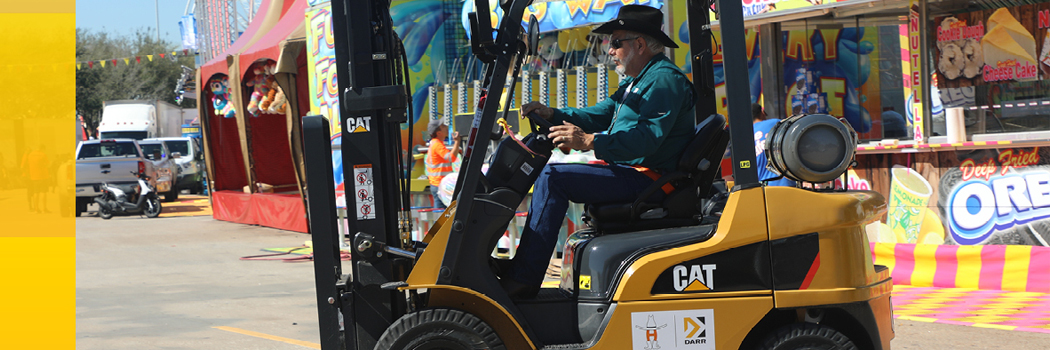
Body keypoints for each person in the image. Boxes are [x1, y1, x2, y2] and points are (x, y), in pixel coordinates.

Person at [503, 5, 697, 298]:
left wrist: (590, 142)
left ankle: (524, 280)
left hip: (650, 179)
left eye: (616, 42)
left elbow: (646, 141)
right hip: (637, 174)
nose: (609, 50)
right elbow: (599, 114)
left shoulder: (663, 81)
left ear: (640, 45)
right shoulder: (639, 80)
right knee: (552, 173)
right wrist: (552, 113)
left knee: (554, 177)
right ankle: (521, 268)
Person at [751, 104, 796, 187]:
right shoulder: (775, 123)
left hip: (762, 188)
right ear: (762, 112)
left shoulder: (746, 134)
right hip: (785, 183)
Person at [424, 119, 460, 208]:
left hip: (437, 184)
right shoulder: (437, 145)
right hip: (439, 185)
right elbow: (451, 158)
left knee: (441, 215)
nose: (446, 127)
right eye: (443, 126)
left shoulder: (435, 143)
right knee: (441, 217)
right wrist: (457, 142)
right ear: (438, 132)